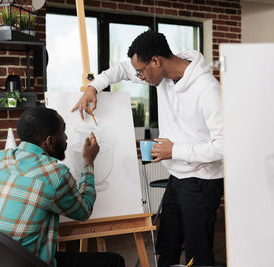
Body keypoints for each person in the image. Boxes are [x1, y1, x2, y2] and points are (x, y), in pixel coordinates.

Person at [72, 30, 224, 267]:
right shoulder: (161, 76)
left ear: (156, 61)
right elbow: (121, 70)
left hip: (203, 181)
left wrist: (175, 151)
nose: (139, 77)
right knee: (167, 246)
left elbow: (225, 146)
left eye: (141, 71)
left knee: (198, 255)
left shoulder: (207, 89)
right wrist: (94, 87)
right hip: (178, 177)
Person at [0, 107, 125, 267]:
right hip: (27, 262)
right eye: (63, 132)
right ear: (50, 141)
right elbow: (84, 210)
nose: (66, 137)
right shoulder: (55, 175)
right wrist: (88, 163)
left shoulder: (0, 159)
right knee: (114, 262)